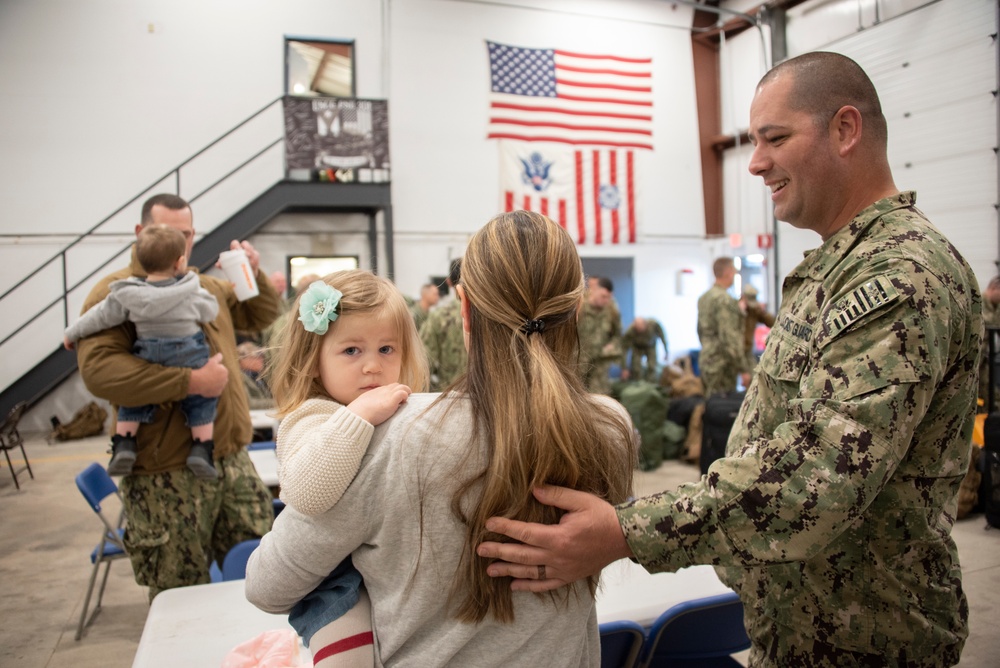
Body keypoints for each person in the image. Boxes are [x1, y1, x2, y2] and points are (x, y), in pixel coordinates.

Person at [477, 52, 982, 667]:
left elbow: (816, 479)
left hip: (863, 642)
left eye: (776, 138)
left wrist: (626, 531)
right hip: (805, 629)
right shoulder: (839, 267)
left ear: (846, 130)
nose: (756, 162)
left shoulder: (899, 276)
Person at [246, 210, 636, 666]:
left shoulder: (383, 435)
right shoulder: (611, 429)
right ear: (576, 309)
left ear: (464, 307)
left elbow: (267, 585)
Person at [76, 193, 282, 598]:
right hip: (164, 475)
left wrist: (252, 277)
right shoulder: (116, 292)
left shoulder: (202, 285)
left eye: (187, 234)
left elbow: (258, 315)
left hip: (230, 461)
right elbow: (99, 370)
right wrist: (189, 383)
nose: (183, 243)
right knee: (180, 592)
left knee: (262, 580)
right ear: (142, 234)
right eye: (171, 233)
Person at [264, 270, 429, 666]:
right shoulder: (310, 417)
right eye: (352, 351)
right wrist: (358, 417)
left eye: (386, 349)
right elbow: (307, 493)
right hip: (337, 590)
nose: (372, 366)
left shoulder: (398, 409)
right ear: (314, 360)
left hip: (393, 572)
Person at [64, 224, 221, 479]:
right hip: (187, 353)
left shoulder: (128, 294)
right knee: (203, 397)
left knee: (135, 397)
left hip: (149, 352)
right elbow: (210, 311)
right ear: (180, 262)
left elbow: (99, 316)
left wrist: (72, 333)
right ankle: (201, 448)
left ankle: (124, 443)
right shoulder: (191, 291)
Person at [696, 257, 750, 395]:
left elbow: (700, 330)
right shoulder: (725, 300)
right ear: (728, 272)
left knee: (710, 407)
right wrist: (743, 369)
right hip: (722, 364)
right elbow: (729, 338)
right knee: (722, 409)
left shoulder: (704, 298)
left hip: (707, 358)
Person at [419, 259, 467, 391]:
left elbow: (424, 366)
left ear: (449, 282)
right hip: (490, 401)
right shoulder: (492, 316)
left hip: (449, 397)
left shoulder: (438, 317)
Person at [577, 276, 623, 394]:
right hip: (577, 362)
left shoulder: (611, 310)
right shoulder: (578, 305)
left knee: (600, 400)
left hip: (599, 363)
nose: (606, 301)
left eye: (609, 297)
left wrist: (611, 346)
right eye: (603, 296)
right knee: (575, 397)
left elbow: (617, 335)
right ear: (594, 290)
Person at [620, 316, 668, 382]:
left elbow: (663, 337)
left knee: (652, 366)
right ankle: (638, 384)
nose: (639, 330)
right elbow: (624, 349)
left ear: (645, 324)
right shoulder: (630, 331)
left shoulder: (654, 325)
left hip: (650, 346)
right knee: (636, 367)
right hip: (638, 347)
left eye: (641, 328)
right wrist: (624, 367)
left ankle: (651, 384)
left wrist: (666, 352)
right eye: (637, 329)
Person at [739, 284, 775, 369]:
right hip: (735, 351)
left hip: (747, 351)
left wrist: (763, 311)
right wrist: (741, 312)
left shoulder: (754, 310)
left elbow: (773, 323)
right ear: (743, 297)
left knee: (753, 377)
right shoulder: (734, 309)